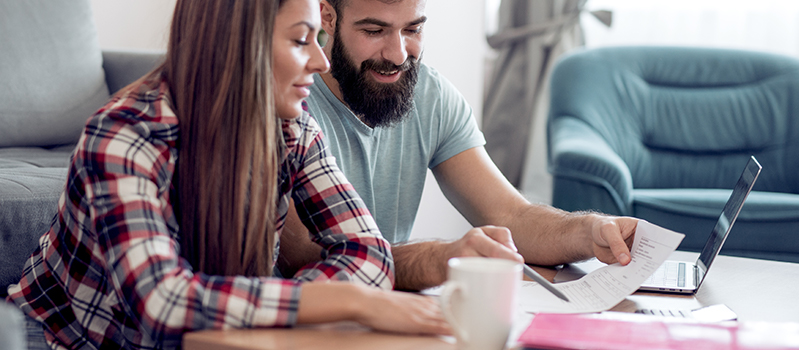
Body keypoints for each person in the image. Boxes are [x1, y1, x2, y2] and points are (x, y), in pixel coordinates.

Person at [5, 0, 452, 349]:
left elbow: (369, 253)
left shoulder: (292, 128)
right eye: (301, 41)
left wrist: (289, 310)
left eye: (318, 38)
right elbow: (161, 302)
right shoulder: (126, 136)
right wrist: (340, 299)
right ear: (240, 46)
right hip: (60, 343)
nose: (321, 61)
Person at [277, 0, 640, 291]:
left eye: (413, 29)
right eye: (374, 30)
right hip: (306, 320)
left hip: (390, 310)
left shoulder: (430, 96)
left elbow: (511, 216)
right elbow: (310, 257)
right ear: (327, 16)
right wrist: (440, 259)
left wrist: (589, 231)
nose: (399, 54)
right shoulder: (290, 106)